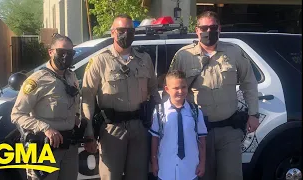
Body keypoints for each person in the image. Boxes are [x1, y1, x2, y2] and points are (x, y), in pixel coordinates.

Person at [169, 11, 260, 180]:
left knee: (231, 176)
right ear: (197, 30)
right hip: (197, 132)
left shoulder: (233, 52)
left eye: (212, 27)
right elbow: (171, 89)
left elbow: (249, 83)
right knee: (202, 176)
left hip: (229, 130)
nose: (208, 31)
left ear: (219, 28)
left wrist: (253, 114)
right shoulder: (183, 56)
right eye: (204, 27)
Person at [81, 14, 161, 180]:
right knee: (111, 176)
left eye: (130, 30)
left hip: (139, 127)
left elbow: (154, 91)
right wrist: (89, 133)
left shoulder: (144, 59)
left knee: (138, 176)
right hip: (112, 130)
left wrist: (161, 123)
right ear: (112, 32)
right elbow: (87, 98)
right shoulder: (99, 61)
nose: (126, 34)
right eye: (121, 30)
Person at [11, 34, 81, 180]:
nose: (65, 56)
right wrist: (45, 128)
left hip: (69, 147)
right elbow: (17, 115)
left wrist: (76, 117)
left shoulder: (71, 76)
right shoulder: (37, 80)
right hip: (45, 148)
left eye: (70, 53)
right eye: (61, 52)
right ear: (51, 52)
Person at [149, 70, 207, 180]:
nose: (180, 91)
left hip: (190, 169)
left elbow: (202, 139)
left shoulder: (195, 111)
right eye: (176, 88)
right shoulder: (160, 111)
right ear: (167, 89)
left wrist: (202, 163)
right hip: (166, 169)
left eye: (183, 87)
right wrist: (154, 162)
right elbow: (155, 138)